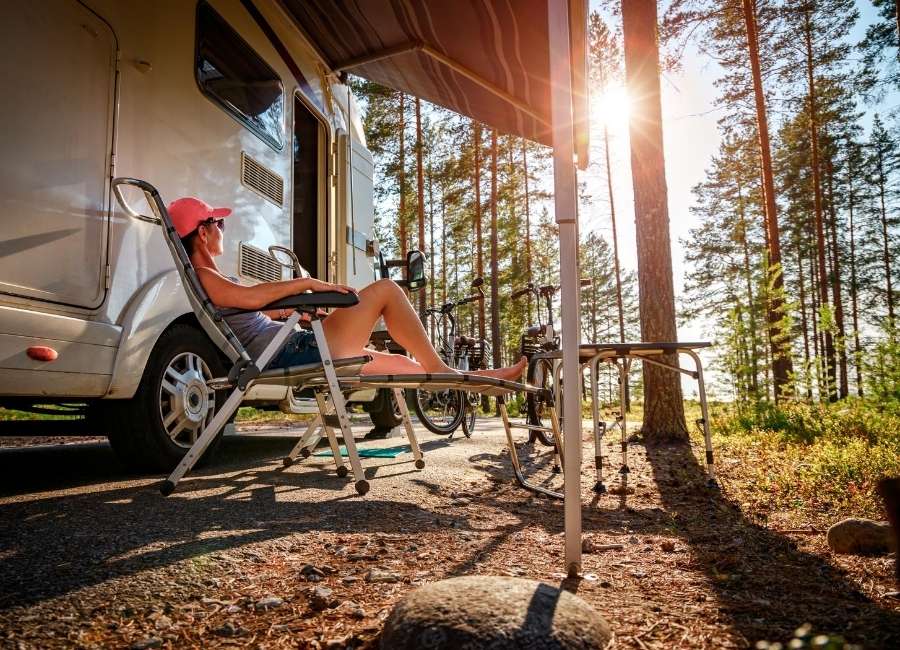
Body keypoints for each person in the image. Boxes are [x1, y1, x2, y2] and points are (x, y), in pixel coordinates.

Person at [168, 196, 526, 379]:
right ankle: (445, 372)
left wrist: (291, 311)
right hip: (294, 351)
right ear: (203, 232)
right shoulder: (207, 277)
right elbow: (251, 297)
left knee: (400, 362)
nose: (222, 232)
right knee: (385, 289)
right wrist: (307, 283)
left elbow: (253, 310)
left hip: (293, 343)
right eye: (219, 225)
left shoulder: (213, 280)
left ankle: (473, 376)